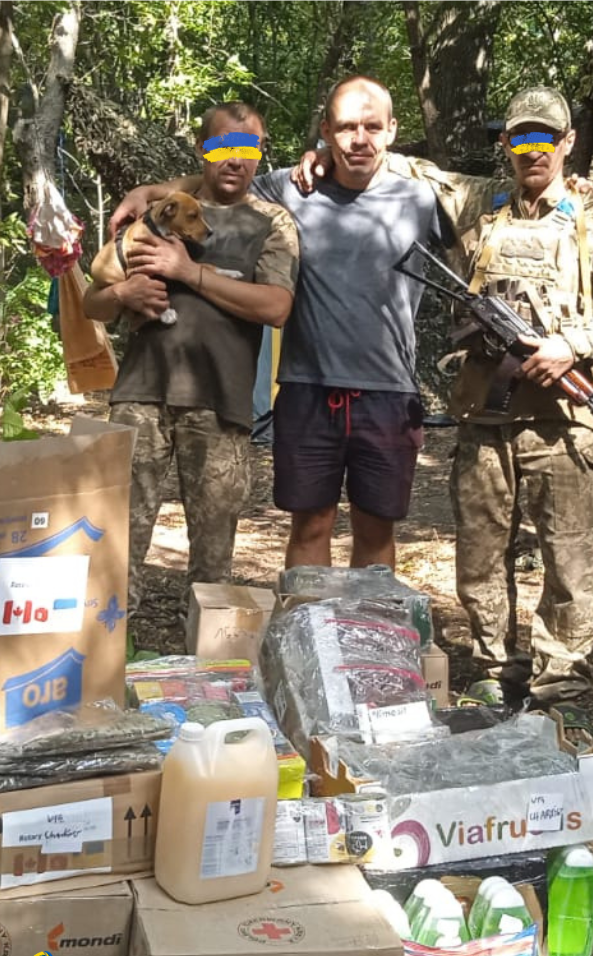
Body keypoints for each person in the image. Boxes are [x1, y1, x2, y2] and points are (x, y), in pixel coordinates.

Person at [110, 76, 451, 570]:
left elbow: (496, 215)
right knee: (309, 524)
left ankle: (371, 621)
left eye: (372, 127)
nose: (359, 138)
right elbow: (219, 179)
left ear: (393, 130)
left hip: (389, 390)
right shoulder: (289, 189)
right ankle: (308, 621)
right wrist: (150, 190)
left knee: (377, 528)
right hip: (306, 387)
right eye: (346, 127)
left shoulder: (422, 199)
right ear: (326, 131)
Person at [439, 87, 593, 713]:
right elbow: (401, 170)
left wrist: (571, 344)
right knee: (480, 555)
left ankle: (560, 682)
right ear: (506, 144)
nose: (532, 150)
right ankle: (492, 667)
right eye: (521, 138)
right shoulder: (480, 205)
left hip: (562, 424)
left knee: (568, 560)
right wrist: (319, 158)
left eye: (545, 138)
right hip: (484, 418)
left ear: (568, 142)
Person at [84, 100, 298, 605]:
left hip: (220, 401)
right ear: (202, 149)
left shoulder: (270, 222)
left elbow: (276, 307)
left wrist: (188, 272)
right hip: (140, 393)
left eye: (247, 148)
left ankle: (204, 649)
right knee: (114, 538)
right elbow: (93, 301)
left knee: (213, 554)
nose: (235, 159)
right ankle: (105, 643)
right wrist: (123, 294)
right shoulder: (160, 212)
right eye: (223, 146)